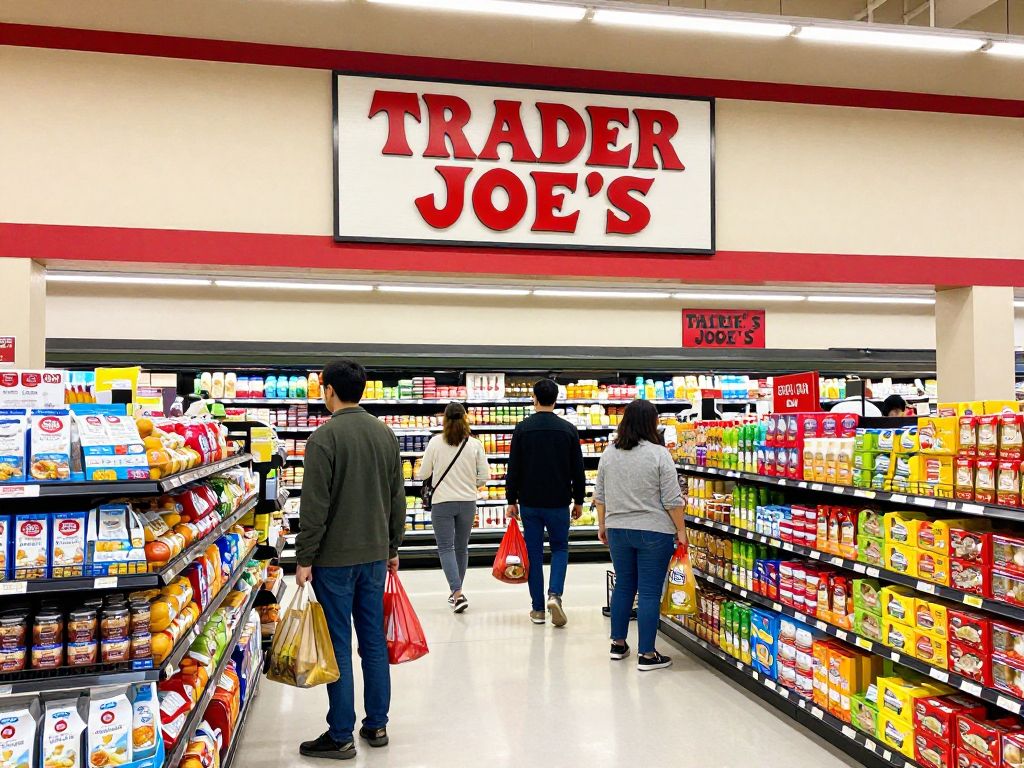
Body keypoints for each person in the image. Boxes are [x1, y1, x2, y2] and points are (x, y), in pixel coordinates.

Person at [294, 359, 406, 761]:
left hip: (335, 561)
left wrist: (304, 557)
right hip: (376, 556)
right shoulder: (385, 435)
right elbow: (397, 499)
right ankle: (377, 724)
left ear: (328, 391)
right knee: (373, 640)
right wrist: (393, 546)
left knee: (339, 643)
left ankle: (340, 733)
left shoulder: (324, 439)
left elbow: (315, 507)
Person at [595, 399, 686, 671]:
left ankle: (618, 644)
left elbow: (600, 495)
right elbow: (672, 499)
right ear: (652, 423)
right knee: (647, 592)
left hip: (617, 529)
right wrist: (681, 530)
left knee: (623, 585)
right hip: (653, 531)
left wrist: (602, 525)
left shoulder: (609, 453)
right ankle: (647, 655)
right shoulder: (659, 454)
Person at [506, 378, 586, 627]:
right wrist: (579, 500)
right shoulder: (568, 429)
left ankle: (538, 609)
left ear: (534, 398)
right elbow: (578, 469)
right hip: (559, 502)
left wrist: (511, 500)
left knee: (534, 554)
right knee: (560, 548)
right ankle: (555, 595)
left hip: (530, 502)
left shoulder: (522, 428)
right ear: (556, 398)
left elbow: (514, 468)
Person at [417, 402, 489, 613]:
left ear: (445, 420)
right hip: (467, 502)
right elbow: (483, 477)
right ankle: (456, 592)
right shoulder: (475, 444)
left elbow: (423, 474)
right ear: (465, 418)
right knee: (461, 547)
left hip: (442, 502)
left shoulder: (435, 443)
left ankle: (457, 593)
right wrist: (468, 484)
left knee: (446, 547)